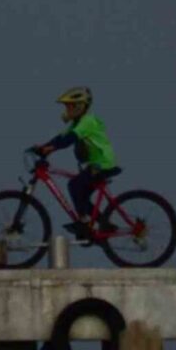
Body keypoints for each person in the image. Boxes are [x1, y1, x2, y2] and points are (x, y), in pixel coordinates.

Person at [31, 86, 119, 239]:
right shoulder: (77, 123)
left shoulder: (88, 121)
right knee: (81, 196)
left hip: (102, 164)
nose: (67, 110)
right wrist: (44, 147)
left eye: (69, 106)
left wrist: (50, 149)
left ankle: (83, 223)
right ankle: (105, 224)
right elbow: (60, 138)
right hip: (95, 165)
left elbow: (69, 139)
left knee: (74, 185)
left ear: (80, 106)